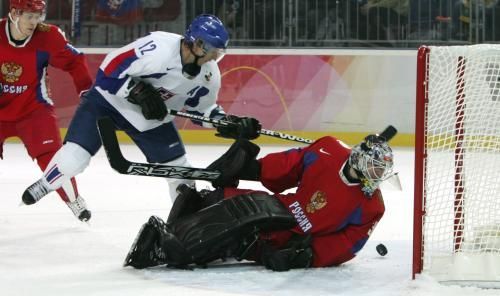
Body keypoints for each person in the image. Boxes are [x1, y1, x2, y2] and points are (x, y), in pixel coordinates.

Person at [21, 14, 261, 207]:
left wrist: (225, 122)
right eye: (210, 50)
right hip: (108, 102)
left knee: (181, 172)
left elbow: (202, 110)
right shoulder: (158, 47)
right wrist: (135, 90)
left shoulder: (209, 76)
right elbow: (108, 70)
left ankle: (186, 220)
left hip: (150, 119)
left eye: (218, 53)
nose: (213, 58)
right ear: (195, 43)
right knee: (74, 159)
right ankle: (45, 183)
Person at [123, 129, 396, 271]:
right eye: (375, 168)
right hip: (283, 208)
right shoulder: (329, 150)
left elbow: (347, 244)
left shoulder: (372, 205)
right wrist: (251, 169)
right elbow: (292, 164)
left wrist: (306, 256)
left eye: (381, 171)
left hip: (295, 239)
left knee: (239, 229)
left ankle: (170, 249)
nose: (377, 176)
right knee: (220, 198)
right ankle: (180, 228)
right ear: (359, 159)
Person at [0, 0, 93, 221]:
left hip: (33, 110)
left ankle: (74, 200)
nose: (35, 22)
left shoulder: (49, 36)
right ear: (14, 13)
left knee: (53, 158)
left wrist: (87, 91)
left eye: (38, 16)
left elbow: (75, 61)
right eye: (29, 16)